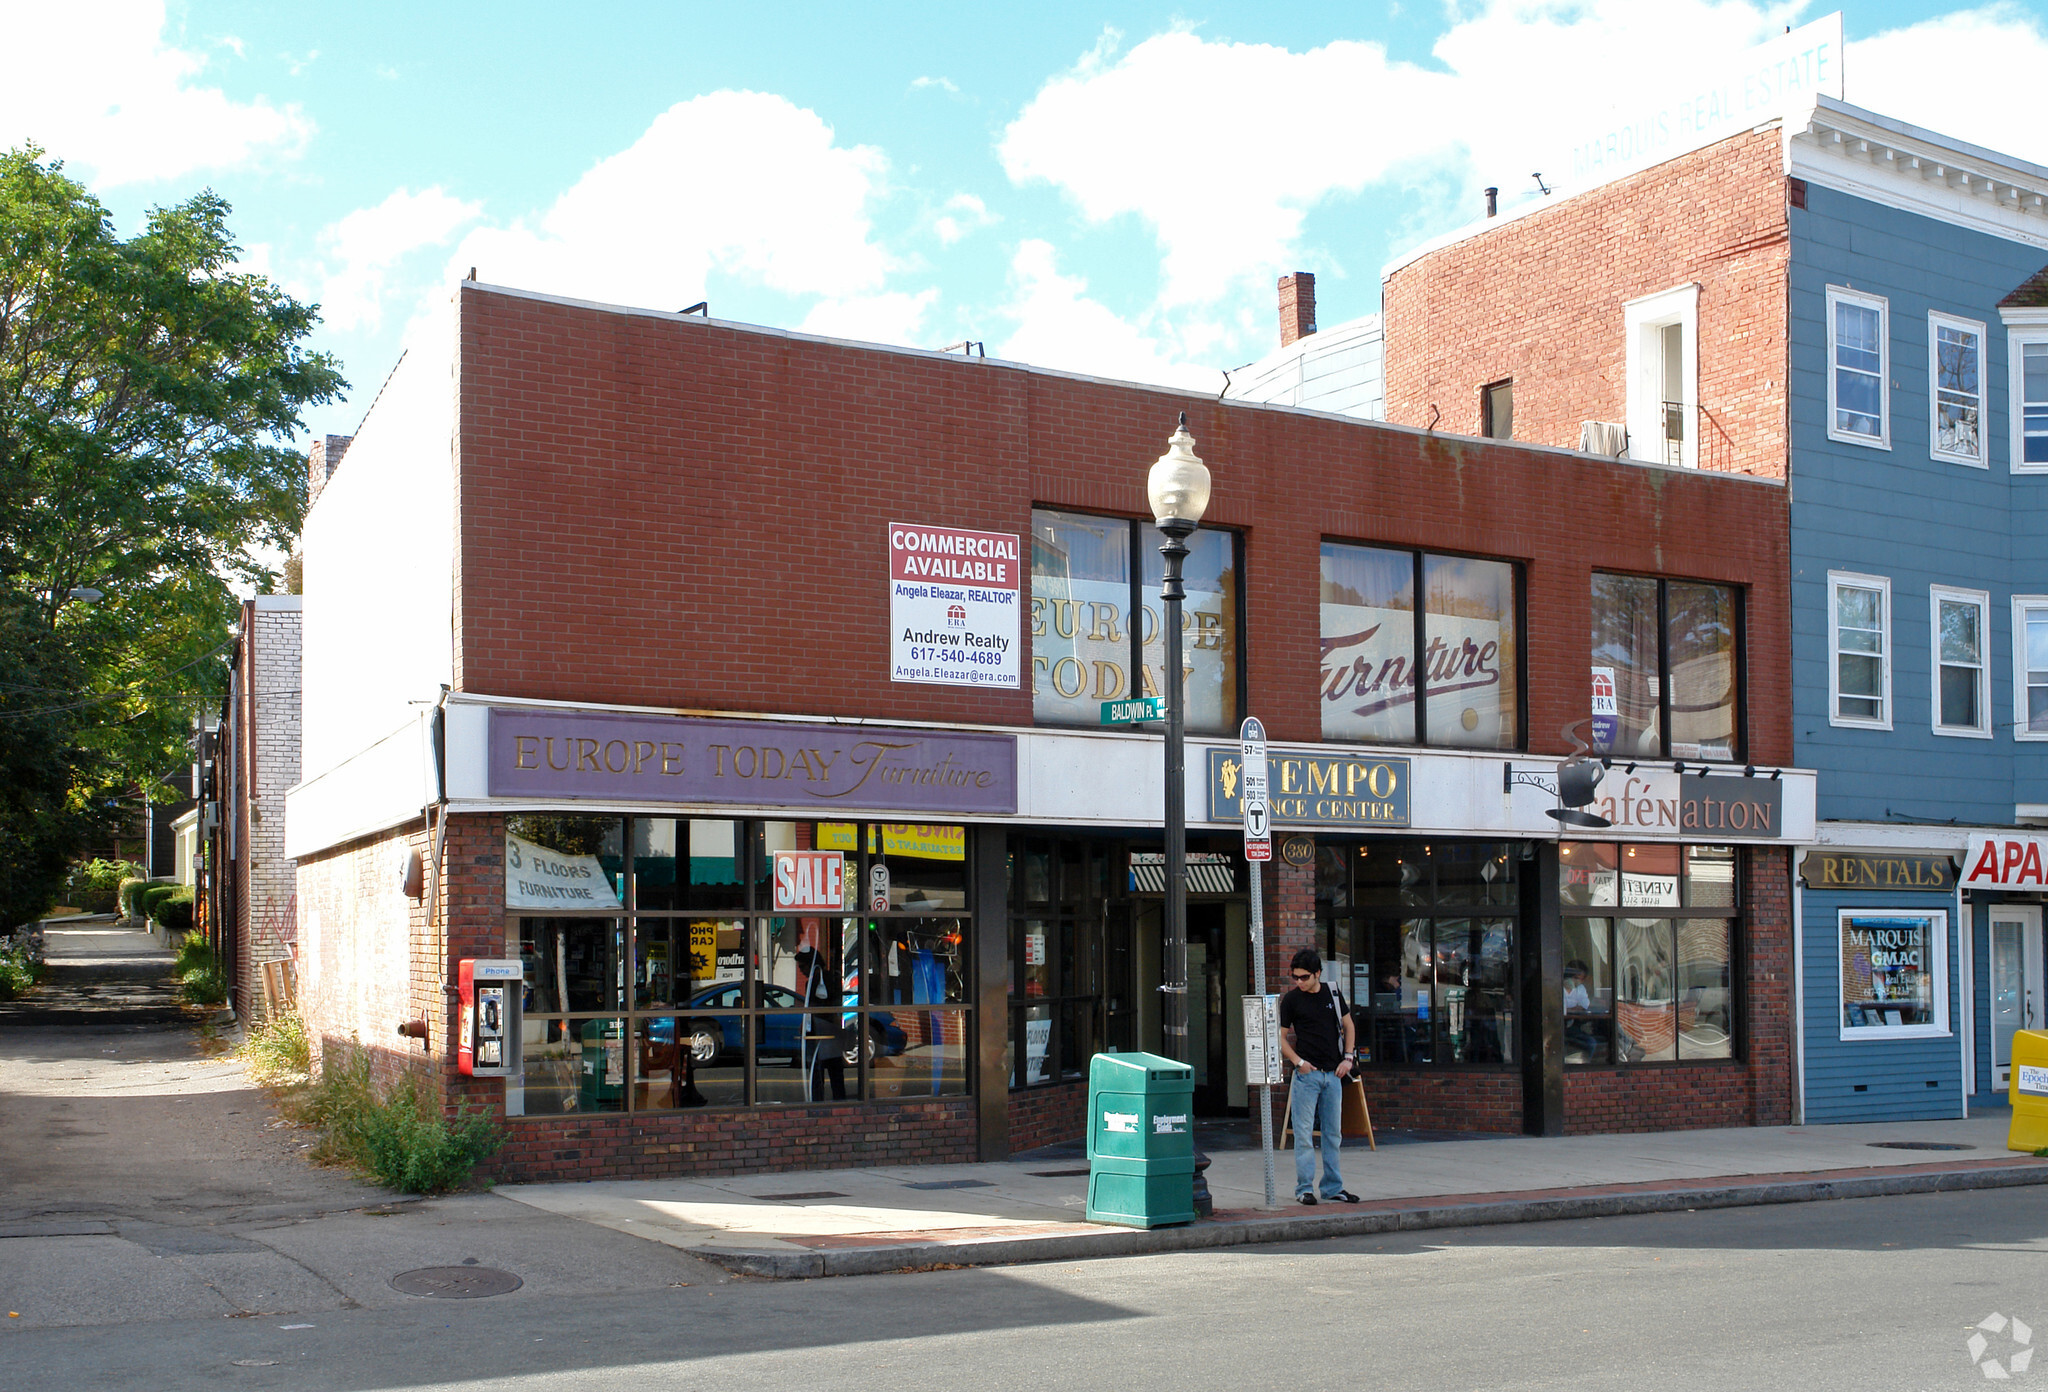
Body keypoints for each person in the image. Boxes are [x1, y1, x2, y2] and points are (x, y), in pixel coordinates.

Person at [1279, 947, 1359, 1205]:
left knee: (1332, 1134)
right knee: (1303, 1134)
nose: (1299, 982)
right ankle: (1304, 1188)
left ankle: (1333, 1187)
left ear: (1317, 974)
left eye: (1304, 977)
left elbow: (1348, 1025)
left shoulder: (1332, 993)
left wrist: (1348, 1058)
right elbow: (1280, 1038)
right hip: (1307, 1074)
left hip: (1333, 1073)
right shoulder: (1291, 1000)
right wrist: (1298, 1062)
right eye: (1295, 977)